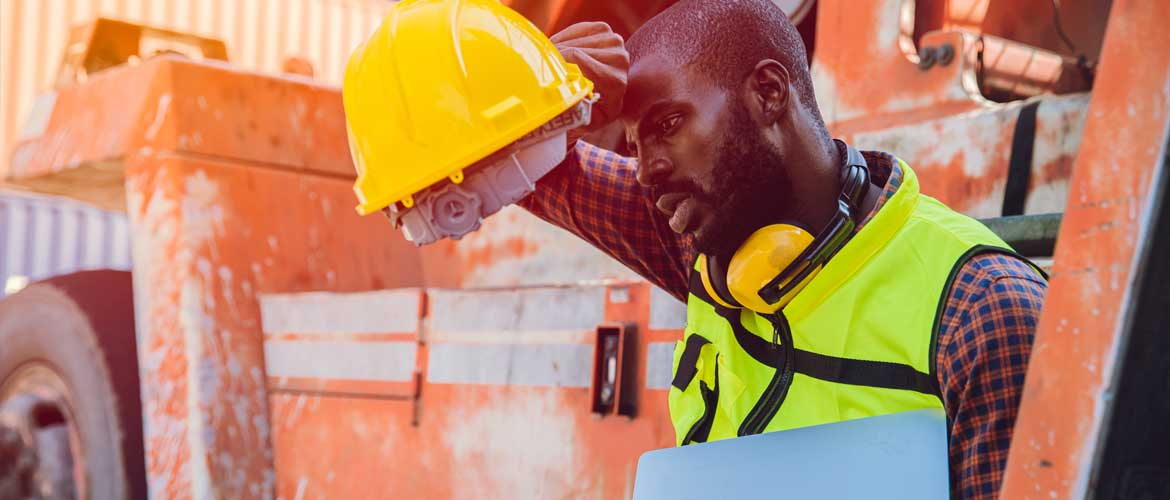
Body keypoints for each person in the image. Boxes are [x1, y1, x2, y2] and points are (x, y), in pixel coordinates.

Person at [524, 1, 1047, 499]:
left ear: (769, 93)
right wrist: (534, 88)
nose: (645, 170)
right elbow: (516, 174)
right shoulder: (700, 241)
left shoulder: (982, 312)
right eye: (636, 145)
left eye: (668, 125)